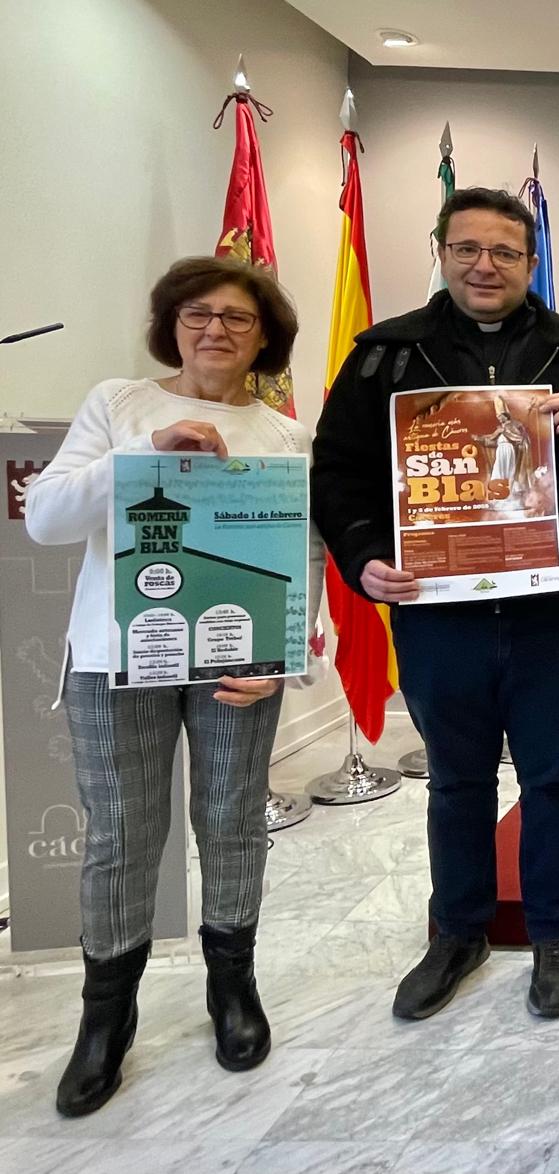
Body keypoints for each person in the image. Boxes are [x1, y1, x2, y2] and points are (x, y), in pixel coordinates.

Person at [312, 187, 559, 1023]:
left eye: (505, 252)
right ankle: (457, 932)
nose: (485, 265)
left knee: (553, 777)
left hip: (555, 612)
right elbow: (337, 474)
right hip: (440, 612)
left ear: (530, 263)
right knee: (457, 782)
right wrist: (364, 559)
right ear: (440, 251)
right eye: (468, 248)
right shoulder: (385, 356)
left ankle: (553, 934)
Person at [26, 257, 322, 1116]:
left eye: (237, 317)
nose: (215, 330)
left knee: (232, 820)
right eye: (197, 314)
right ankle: (105, 1019)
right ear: (170, 323)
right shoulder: (120, 405)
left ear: (264, 335)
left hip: (236, 659)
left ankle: (233, 986)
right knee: (121, 834)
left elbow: (299, 555)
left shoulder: (284, 435)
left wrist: (283, 652)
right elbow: (46, 518)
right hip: (119, 657)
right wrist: (143, 456)